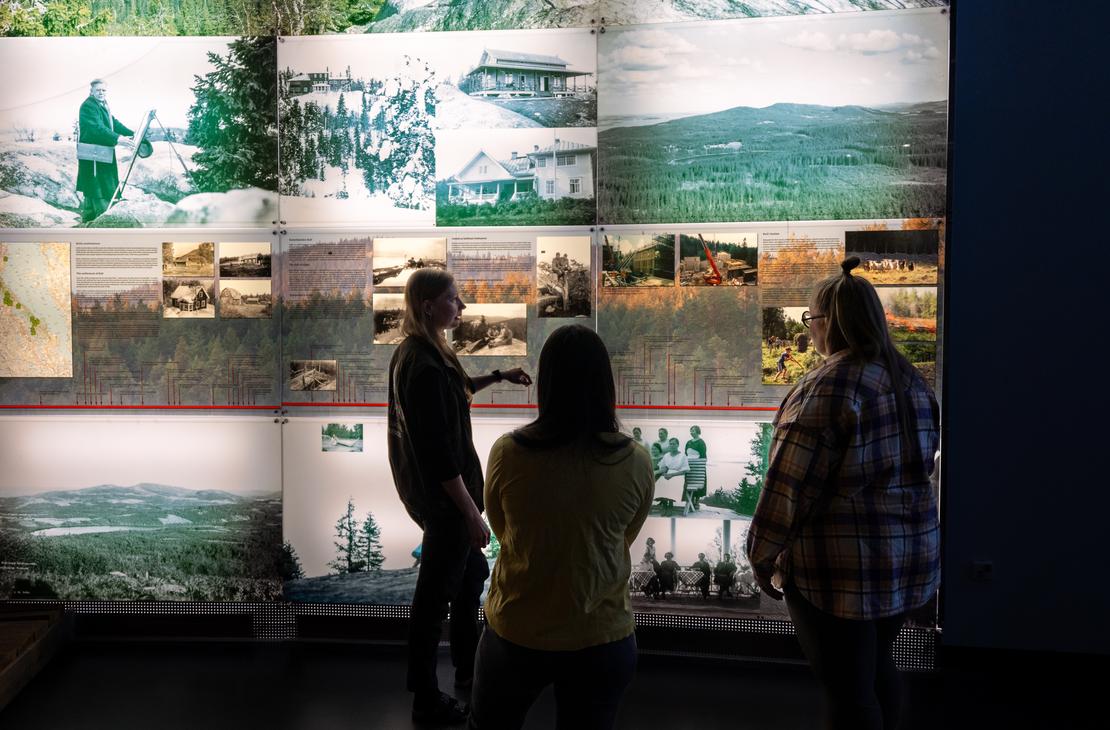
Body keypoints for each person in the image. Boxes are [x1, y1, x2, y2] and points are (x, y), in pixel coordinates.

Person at [746, 257, 940, 730]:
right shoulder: (911, 380)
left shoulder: (824, 388)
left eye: (810, 319)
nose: (809, 329)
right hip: (905, 563)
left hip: (839, 573)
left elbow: (786, 486)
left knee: (849, 695)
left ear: (828, 323)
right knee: (877, 670)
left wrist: (761, 556)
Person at [470, 324, 654, 730]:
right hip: (602, 634)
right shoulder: (635, 460)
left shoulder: (509, 453)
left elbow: (504, 530)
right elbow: (624, 535)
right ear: (605, 383)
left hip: (516, 629)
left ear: (547, 383)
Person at [387, 268, 532, 725]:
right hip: (448, 505)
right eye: (454, 298)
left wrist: (499, 375)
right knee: (433, 602)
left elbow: (461, 389)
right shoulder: (424, 366)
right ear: (428, 305)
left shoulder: (423, 352)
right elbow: (438, 455)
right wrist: (470, 513)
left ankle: (468, 670)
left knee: (470, 581)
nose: (463, 307)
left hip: (447, 501)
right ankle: (425, 698)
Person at [77, 79, 136, 222]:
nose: (101, 93)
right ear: (91, 91)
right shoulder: (88, 106)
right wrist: (117, 138)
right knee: (99, 187)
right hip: (94, 155)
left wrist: (131, 133)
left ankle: (89, 220)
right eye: (98, 90)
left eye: (103, 90)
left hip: (101, 153)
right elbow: (97, 128)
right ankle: (102, 220)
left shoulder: (102, 105)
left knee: (95, 187)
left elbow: (113, 123)